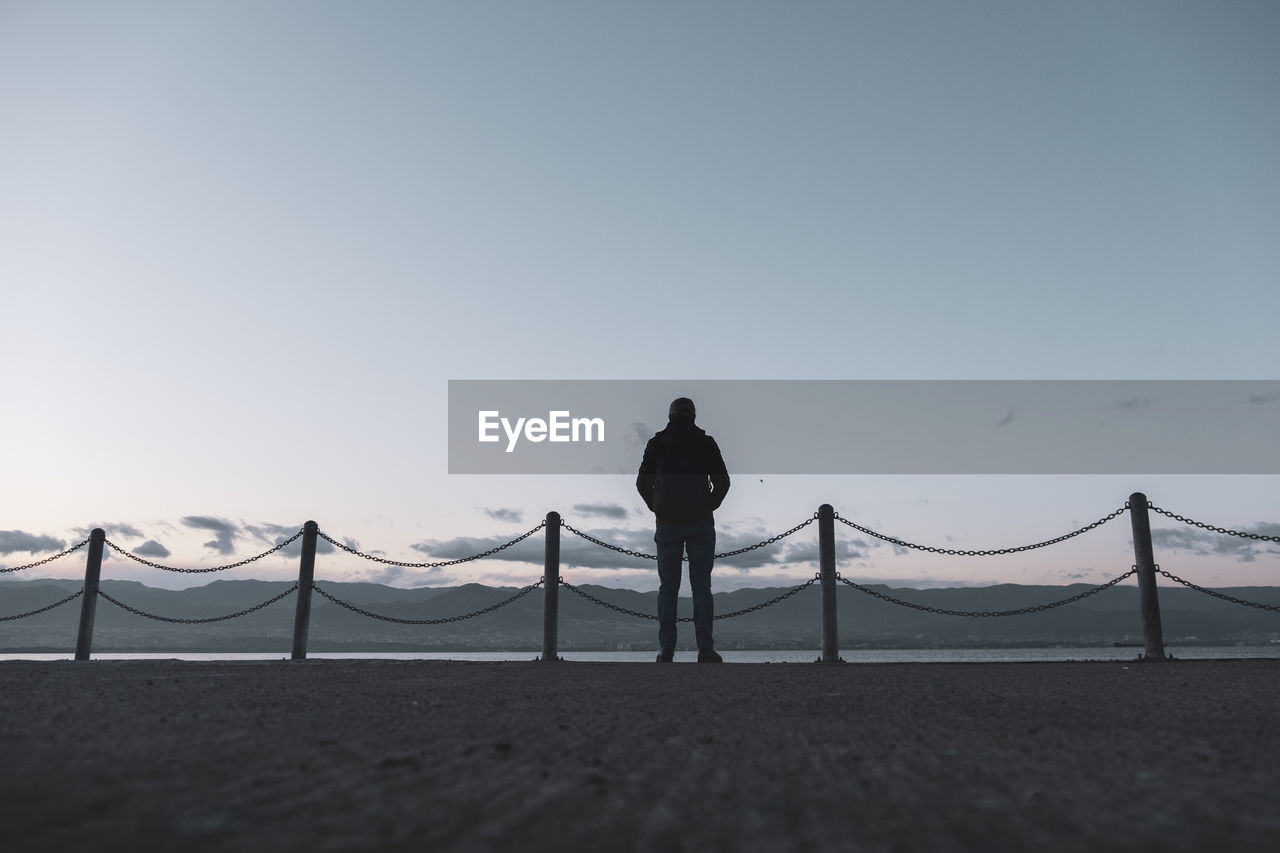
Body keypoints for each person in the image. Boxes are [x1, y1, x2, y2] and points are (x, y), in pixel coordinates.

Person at [635, 397, 731, 663]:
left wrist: (657, 507)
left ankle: (667, 650)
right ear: (694, 415)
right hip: (700, 522)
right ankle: (705, 649)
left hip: (667, 523)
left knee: (668, 587)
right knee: (702, 587)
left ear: (670, 415)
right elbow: (723, 482)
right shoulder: (705, 443)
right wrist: (707, 506)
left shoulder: (657, 443)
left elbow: (642, 482)